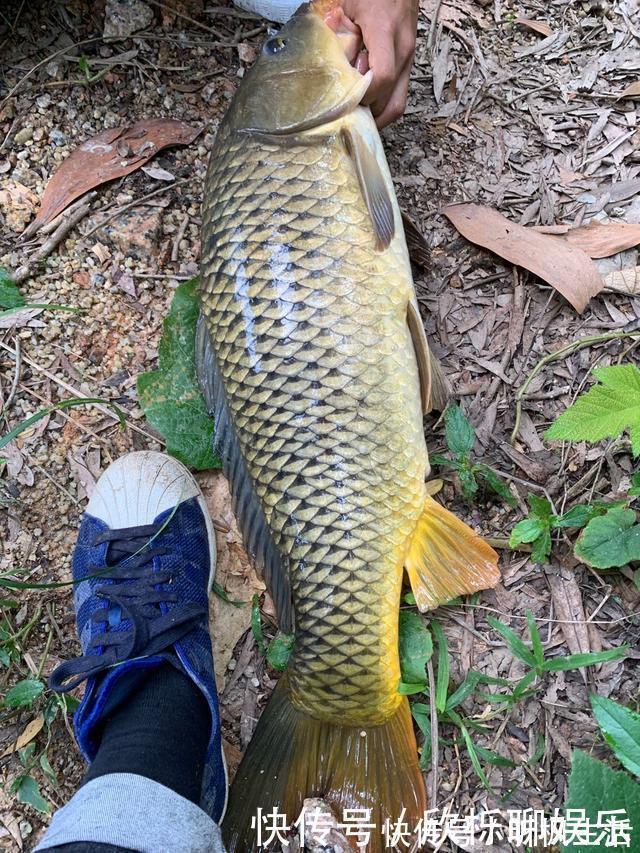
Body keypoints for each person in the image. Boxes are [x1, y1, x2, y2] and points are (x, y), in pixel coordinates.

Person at [33, 2, 419, 848]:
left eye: (280, 45)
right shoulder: (316, 141)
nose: (314, 25)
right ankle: (203, 724)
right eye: (288, 43)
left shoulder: (291, 141)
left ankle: (156, 728)